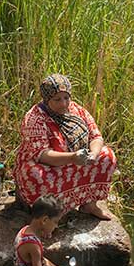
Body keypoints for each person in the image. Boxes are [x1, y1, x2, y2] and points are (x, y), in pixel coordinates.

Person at [15, 74, 117, 220]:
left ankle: (89, 204)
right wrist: (72, 157)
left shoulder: (76, 109)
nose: (64, 104)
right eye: (57, 99)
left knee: (107, 156)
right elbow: (42, 155)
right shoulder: (35, 118)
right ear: (46, 99)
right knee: (34, 174)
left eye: (66, 98)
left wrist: (93, 154)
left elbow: (96, 136)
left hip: (77, 162)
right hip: (50, 166)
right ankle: (50, 215)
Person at [14, 196, 80, 266]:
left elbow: (42, 260)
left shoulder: (24, 231)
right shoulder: (32, 245)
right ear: (44, 220)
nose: (56, 226)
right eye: (55, 222)